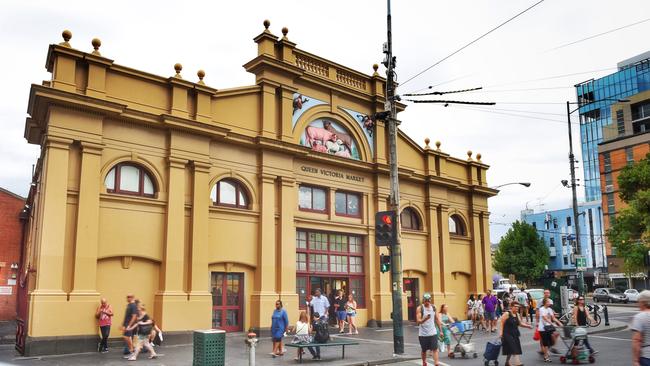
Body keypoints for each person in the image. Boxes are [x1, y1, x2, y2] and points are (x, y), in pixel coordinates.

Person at [500, 301, 532, 366]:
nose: (517, 308)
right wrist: (501, 333)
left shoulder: (517, 314)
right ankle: (518, 363)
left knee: (511, 349)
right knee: (514, 347)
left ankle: (507, 362)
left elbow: (520, 324)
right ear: (511, 307)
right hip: (507, 334)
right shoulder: (507, 314)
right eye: (515, 307)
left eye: (518, 307)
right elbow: (501, 322)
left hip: (515, 334)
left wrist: (527, 326)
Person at [416, 293, 442, 366]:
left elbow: (437, 319)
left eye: (428, 300)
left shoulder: (434, 307)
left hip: (433, 332)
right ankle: (424, 362)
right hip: (423, 334)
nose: (427, 302)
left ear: (430, 300)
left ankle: (436, 363)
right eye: (426, 300)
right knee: (424, 350)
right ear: (423, 300)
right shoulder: (420, 308)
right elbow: (418, 321)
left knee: (435, 349)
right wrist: (425, 319)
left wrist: (440, 331)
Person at [538, 297, 562, 362]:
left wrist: (559, 323)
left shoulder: (550, 309)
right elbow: (544, 317)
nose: (549, 303)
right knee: (545, 343)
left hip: (549, 327)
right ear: (545, 303)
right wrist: (551, 323)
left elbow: (553, 318)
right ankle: (546, 356)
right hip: (543, 328)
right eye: (548, 302)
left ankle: (549, 347)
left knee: (556, 334)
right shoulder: (541, 309)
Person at [631, 290, 650, 366]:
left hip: (647, 357)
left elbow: (636, 341)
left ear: (643, 302)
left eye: (638, 302)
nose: (638, 304)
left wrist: (635, 360)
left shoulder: (639, 317)